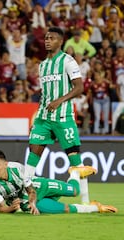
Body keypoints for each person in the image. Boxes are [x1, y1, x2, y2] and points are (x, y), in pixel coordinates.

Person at [23, 27, 97, 205]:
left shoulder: (67, 61)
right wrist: (38, 114)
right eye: (46, 38)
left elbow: (79, 87)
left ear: (60, 41)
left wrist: (59, 101)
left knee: (75, 159)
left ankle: (85, 200)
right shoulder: (42, 65)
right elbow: (46, 93)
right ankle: (26, 192)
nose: (48, 40)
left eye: (52, 38)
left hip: (63, 117)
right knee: (34, 151)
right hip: (43, 117)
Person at [0, 150, 117, 214]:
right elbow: (1, 208)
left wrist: (31, 201)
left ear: (6, 164)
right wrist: (12, 208)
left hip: (41, 187)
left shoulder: (17, 168)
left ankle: (75, 172)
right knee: (65, 209)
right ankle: (96, 207)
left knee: (75, 191)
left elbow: (30, 189)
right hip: (30, 204)